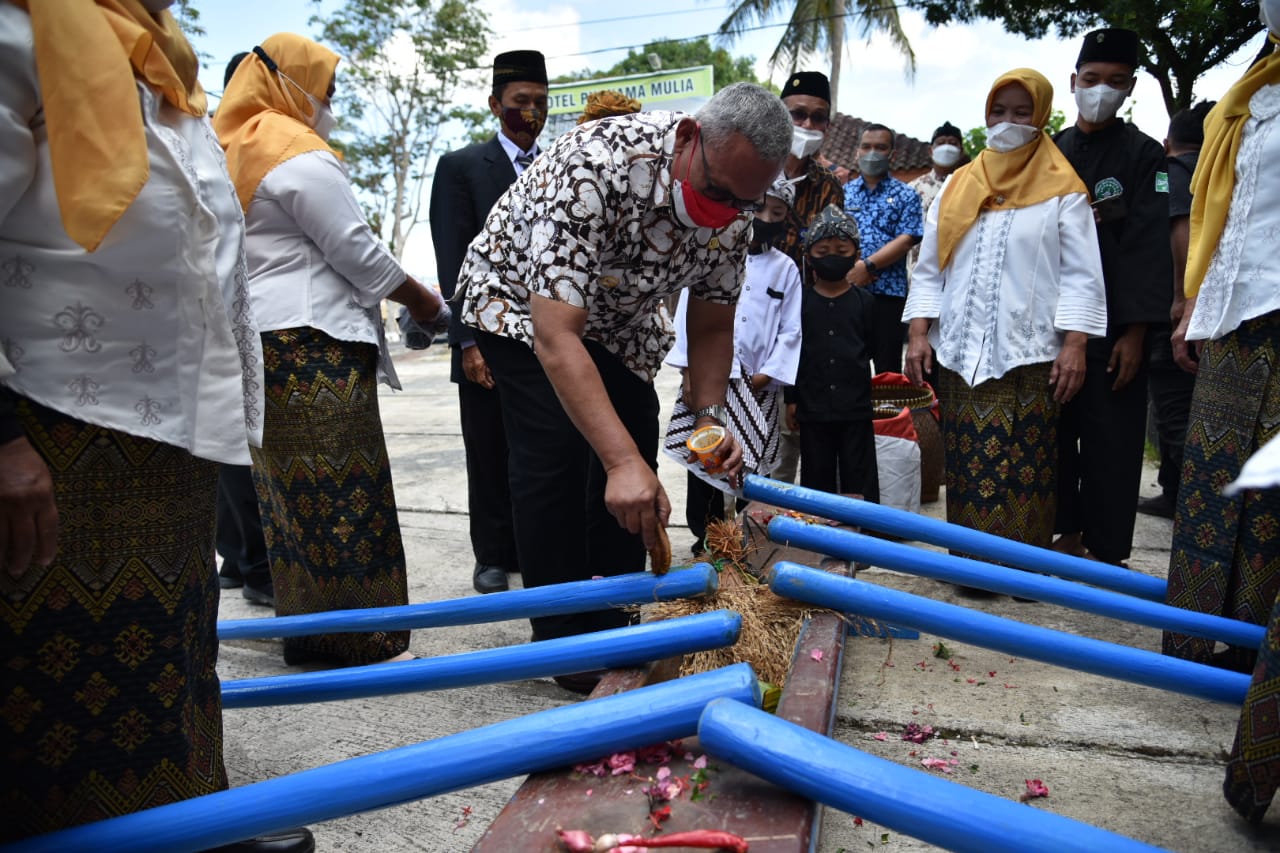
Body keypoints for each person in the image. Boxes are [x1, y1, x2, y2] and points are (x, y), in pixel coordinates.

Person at [0, 3, 312, 850]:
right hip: (56, 422)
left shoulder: (158, 64)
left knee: (168, 641)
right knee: (59, 667)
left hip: (163, 423)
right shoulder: (20, 34)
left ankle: (189, 814)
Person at [457, 83, 791, 691]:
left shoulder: (737, 209)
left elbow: (714, 322)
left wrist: (710, 420)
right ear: (689, 138)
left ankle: (612, 619)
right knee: (556, 451)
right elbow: (558, 336)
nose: (725, 212)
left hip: (623, 320)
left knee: (634, 436)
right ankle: (562, 640)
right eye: (716, 192)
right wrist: (616, 462)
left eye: (745, 202)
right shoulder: (596, 163)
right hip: (519, 304)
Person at [214, 34, 445, 666]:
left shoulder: (228, 148)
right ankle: (355, 639)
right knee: (343, 491)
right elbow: (357, 250)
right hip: (313, 347)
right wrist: (424, 302)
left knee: (290, 499)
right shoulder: (296, 154)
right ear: (292, 84)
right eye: (326, 90)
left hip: (262, 345)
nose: (330, 104)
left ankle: (313, 634)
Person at [903, 68, 1108, 563]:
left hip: (1031, 353)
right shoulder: (957, 186)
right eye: (999, 111)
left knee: (1028, 466)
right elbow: (929, 268)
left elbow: (1083, 274)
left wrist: (1076, 344)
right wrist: (917, 333)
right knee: (968, 464)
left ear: (1040, 116)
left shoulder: (1064, 190)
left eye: (1021, 112)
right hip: (958, 352)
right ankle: (972, 567)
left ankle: (1023, 570)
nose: (1008, 121)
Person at [1159, 4, 1280, 821]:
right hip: (1238, 317)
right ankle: (1199, 638)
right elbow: (1227, 218)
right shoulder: (1254, 92)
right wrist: (1195, 304)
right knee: (1214, 479)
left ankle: (1247, 650)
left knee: (1270, 498)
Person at [1051, 28, 1172, 566]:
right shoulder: (1048, 153)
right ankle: (1065, 530)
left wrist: (1136, 331)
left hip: (1116, 327)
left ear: (1131, 88)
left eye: (1116, 82)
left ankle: (1107, 549)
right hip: (1053, 323)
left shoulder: (1144, 155)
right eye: (1092, 79)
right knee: (1054, 435)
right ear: (1073, 81)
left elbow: (1149, 245)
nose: (1101, 90)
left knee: (1112, 440)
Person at [429, 50, 548, 595]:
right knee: (488, 446)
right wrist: (468, 342)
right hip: (486, 334)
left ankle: (530, 544)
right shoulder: (461, 168)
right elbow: (452, 260)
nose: (530, 112)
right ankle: (492, 556)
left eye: (540, 102)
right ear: (495, 103)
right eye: (520, 101)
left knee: (538, 449)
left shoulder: (557, 166)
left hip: (546, 335)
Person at [665, 176, 803, 555]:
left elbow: (791, 331)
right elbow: (687, 316)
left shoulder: (785, 269)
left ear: (785, 220)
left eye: (776, 213)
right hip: (710, 382)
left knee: (752, 462)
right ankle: (706, 536)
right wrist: (689, 371)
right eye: (760, 207)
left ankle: (747, 537)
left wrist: (763, 378)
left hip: (759, 385)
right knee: (706, 457)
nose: (765, 217)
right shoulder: (711, 252)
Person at [1137, 102, 1212, 519]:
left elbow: (1179, 227)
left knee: (1175, 408)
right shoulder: (1222, 171)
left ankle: (1195, 504)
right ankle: (1173, 490)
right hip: (1222, 309)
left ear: (1168, 144)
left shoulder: (1175, 175)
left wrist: (1182, 304)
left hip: (1182, 311)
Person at [772, 72, 846, 484]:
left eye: (818, 118)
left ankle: (781, 522)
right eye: (797, 114)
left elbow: (831, 255)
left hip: (803, 318)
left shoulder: (829, 186)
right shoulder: (751, 169)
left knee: (794, 423)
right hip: (743, 313)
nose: (807, 125)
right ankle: (711, 526)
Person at [784, 205, 879, 501]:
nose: (832, 257)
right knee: (816, 475)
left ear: (856, 252)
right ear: (809, 255)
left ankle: (863, 536)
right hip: (812, 407)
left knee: (859, 474)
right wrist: (791, 399)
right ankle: (819, 537)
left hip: (856, 407)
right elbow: (792, 355)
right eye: (823, 252)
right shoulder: (799, 303)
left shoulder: (865, 303)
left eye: (841, 249)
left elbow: (874, 350)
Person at [843, 123, 924, 375]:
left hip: (888, 295)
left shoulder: (906, 195)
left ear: (892, 154)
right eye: (866, 147)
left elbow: (907, 238)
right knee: (848, 366)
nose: (872, 153)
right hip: (848, 292)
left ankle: (889, 416)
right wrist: (850, 271)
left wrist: (867, 266)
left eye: (880, 147)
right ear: (857, 152)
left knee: (887, 371)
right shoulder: (843, 193)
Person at [907, 121, 965, 272]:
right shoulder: (914, 188)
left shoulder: (971, 186)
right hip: (919, 266)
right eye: (941, 143)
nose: (946, 147)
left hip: (959, 264)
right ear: (930, 150)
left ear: (961, 150)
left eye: (952, 143)